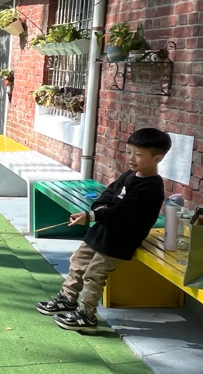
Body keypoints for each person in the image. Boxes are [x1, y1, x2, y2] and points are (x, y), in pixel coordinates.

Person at [36, 127, 172, 333]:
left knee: (94, 274)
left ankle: (86, 314)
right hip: (103, 229)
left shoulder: (151, 187)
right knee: (78, 261)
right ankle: (67, 299)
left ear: (157, 158)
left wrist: (92, 216)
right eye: (129, 152)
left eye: (138, 154)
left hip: (120, 239)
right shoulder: (129, 175)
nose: (131, 158)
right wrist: (98, 208)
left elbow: (124, 214)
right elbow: (109, 193)